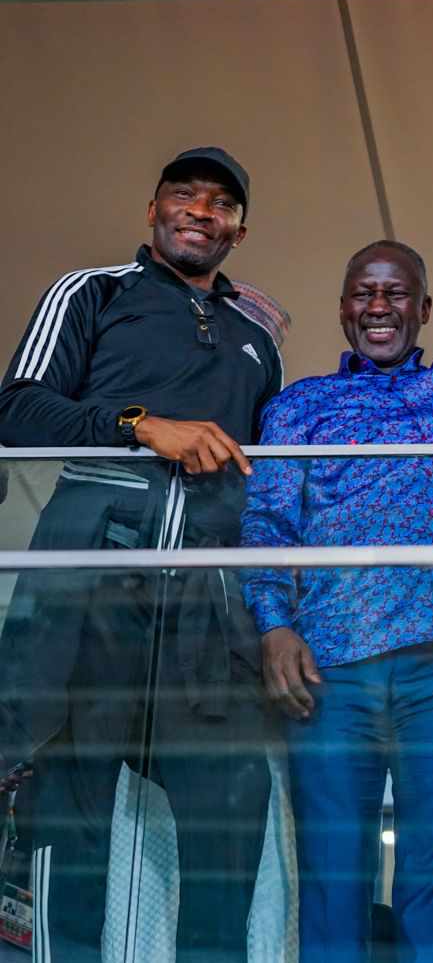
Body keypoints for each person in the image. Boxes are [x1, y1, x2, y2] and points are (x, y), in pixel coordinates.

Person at [0, 147, 282, 960]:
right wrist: (139, 424)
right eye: (183, 194)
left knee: (229, 824)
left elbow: (266, 481)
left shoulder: (257, 340)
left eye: (220, 202)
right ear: (152, 209)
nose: (200, 209)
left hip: (207, 607)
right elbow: (17, 409)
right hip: (87, 587)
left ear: (239, 231)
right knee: (68, 825)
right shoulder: (91, 292)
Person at [240, 240, 433, 963]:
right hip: (329, 671)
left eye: (396, 292)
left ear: (424, 308)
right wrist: (273, 624)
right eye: (364, 292)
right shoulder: (298, 405)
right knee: (333, 873)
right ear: (344, 308)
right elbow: (267, 524)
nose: (379, 305)